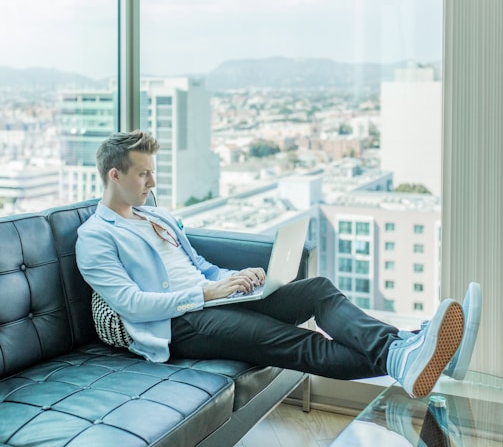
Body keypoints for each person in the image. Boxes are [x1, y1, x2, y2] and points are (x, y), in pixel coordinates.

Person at [76, 130, 479, 399]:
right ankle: (411, 353)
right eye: (143, 174)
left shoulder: (156, 216)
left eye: (152, 173)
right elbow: (131, 304)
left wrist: (232, 279)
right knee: (295, 342)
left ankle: (409, 351)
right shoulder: (95, 236)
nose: (152, 183)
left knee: (318, 290)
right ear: (115, 175)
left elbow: (196, 262)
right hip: (178, 325)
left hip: (215, 300)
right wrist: (205, 292)